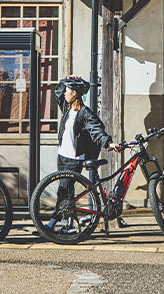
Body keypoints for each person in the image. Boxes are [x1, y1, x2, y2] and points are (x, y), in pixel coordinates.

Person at [46, 75, 119, 232]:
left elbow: (96, 129)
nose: (64, 93)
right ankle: (67, 223)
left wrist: (108, 143)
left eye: (67, 91)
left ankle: (54, 222)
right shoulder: (67, 108)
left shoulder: (84, 112)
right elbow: (58, 91)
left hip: (74, 159)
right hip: (62, 156)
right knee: (66, 191)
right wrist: (65, 79)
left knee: (64, 190)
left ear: (74, 94)